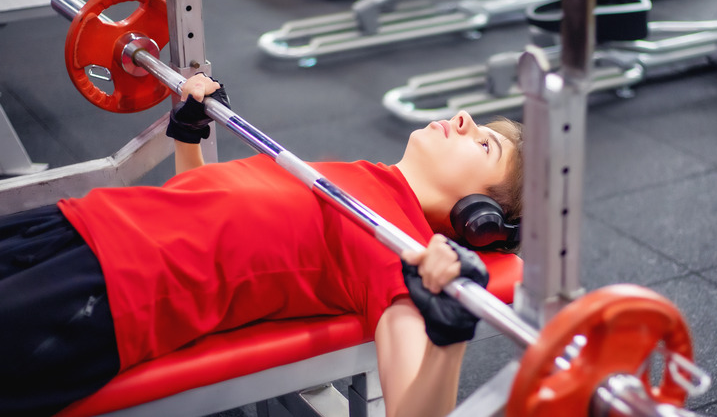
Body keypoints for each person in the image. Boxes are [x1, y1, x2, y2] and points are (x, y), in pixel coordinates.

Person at [0, 73, 523, 417]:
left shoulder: (397, 251)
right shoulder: (363, 179)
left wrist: (449, 331)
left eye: (484, 144)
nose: (463, 119)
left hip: (112, 290)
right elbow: (219, 222)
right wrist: (190, 138)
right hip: (81, 223)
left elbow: (413, 409)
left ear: (480, 219)